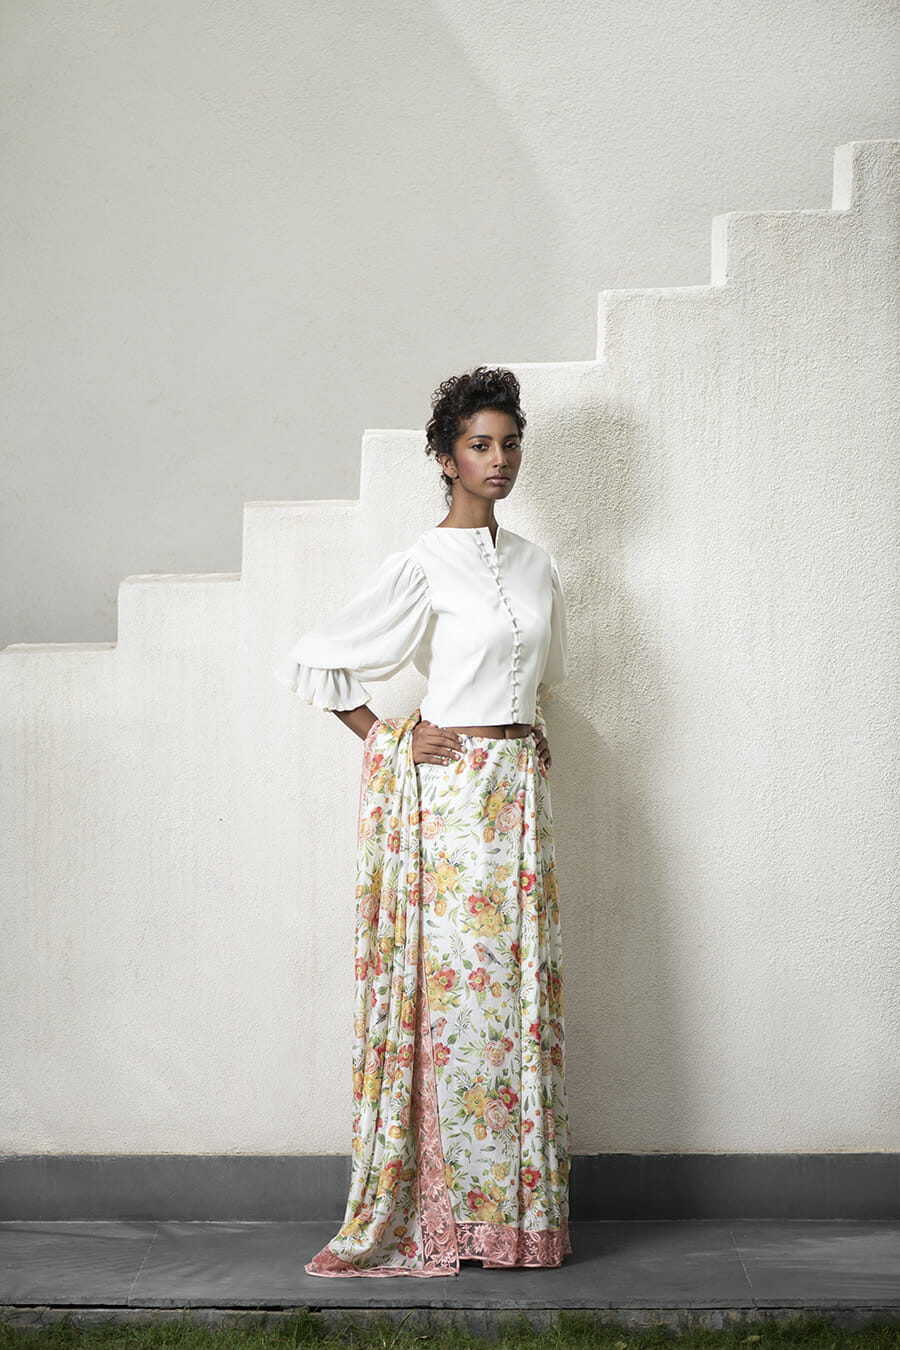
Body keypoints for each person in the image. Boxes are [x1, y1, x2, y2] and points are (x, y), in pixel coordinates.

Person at [273, 365, 570, 1276]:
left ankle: (514, 1221)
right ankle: (447, 1214)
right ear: (446, 459)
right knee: (461, 1001)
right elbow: (319, 661)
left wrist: (525, 743)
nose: (498, 459)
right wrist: (393, 737)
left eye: (510, 443)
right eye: (480, 445)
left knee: (518, 1001)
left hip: (521, 800)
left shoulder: (537, 564)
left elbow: (539, 677)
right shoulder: (423, 563)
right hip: (453, 801)